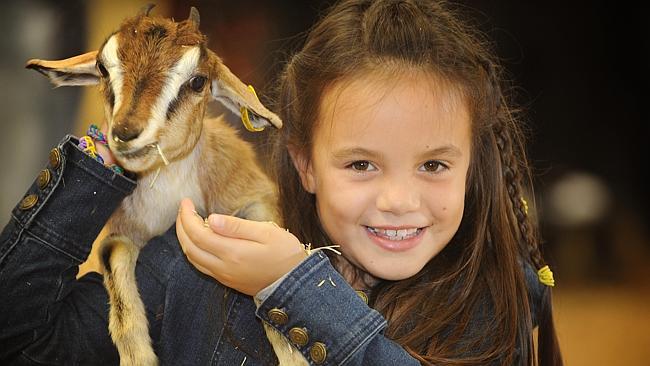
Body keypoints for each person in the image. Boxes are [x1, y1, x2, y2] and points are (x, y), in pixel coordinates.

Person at [0, 0, 562, 365]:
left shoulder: (489, 301)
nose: (398, 201)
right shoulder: (189, 266)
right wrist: (103, 165)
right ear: (304, 163)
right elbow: (22, 341)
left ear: (472, 164)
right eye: (361, 164)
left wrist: (296, 289)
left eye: (434, 165)